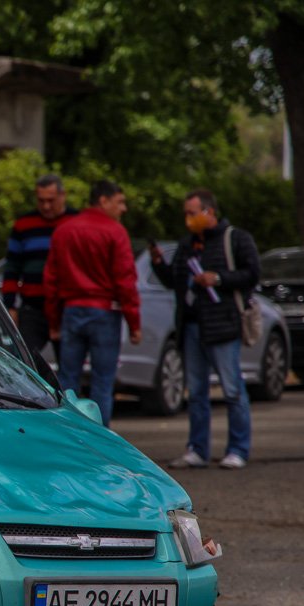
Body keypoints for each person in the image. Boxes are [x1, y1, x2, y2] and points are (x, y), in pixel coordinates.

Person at [151, 189, 259, 470]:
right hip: (191, 325)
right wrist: (158, 263)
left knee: (232, 389)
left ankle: (238, 449)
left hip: (223, 325)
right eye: (186, 214)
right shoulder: (187, 245)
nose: (188, 219)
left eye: (192, 213)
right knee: (197, 391)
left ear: (209, 212)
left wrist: (219, 279)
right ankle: (197, 449)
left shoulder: (234, 239)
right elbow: (174, 281)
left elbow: (252, 274)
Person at [44, 180, 141, 426]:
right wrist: (134, 322)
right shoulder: (115, 231)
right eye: (120, 202)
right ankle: (100, 439)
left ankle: (67, 434)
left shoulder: (65, 230)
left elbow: (52, 280)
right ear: (104, 200)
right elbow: (125, 281)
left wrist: (54, 320)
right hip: (104, 313)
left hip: (72, 311)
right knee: (102, 383)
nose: (123, 209)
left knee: (68, 381)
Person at [2, 174, 78, 359]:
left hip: (66, 308)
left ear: (62, 196)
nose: (46, 206)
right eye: (41, 200)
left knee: (69, 364)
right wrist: (10, 305)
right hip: (33, 308)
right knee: (24, 361)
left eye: (51, 200)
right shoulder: (24, 225)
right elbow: (12, 267)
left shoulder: (76, 222)